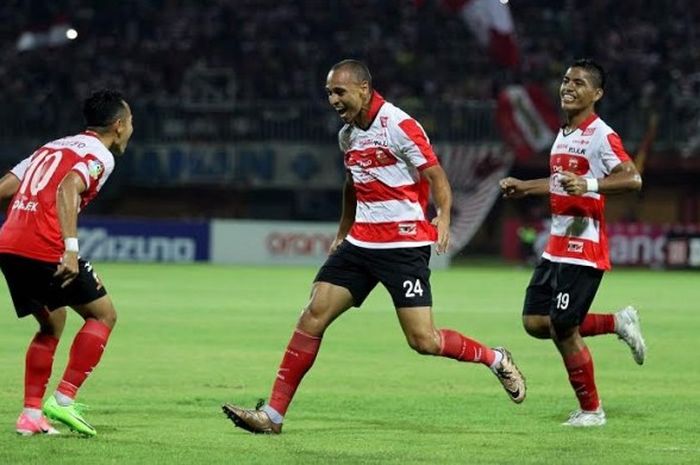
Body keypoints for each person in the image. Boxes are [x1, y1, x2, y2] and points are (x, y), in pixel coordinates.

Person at [223, 59, 526, 434]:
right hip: (361, 243)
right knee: (312, 315)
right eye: (329, 93)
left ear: (364, 88)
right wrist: (342, 231)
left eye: (339, 91)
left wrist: (444, 216)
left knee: (423, 341)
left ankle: (495, 358)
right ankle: (273, 415)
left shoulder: (400, 125)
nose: (333, 99)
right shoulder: (347, 136)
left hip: (404, 245)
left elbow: (436, 175)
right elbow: (352, 185)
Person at [499, 59, 647, 427]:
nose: (568, 86)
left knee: (563, 328)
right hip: (556, 245)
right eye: (565, 80)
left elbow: (633, 179)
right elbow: (560, 182)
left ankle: (592, 411)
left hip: (584, 248)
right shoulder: (564, 133)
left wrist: (591, 184)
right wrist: (527, 186)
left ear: (596, 94)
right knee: (536, 321)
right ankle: (617, 322)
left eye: (578, 82)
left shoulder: (600, 134)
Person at [0, 89, 134, 437]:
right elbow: (67, 188)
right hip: (45, 247)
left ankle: (30, 416)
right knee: (104, 314)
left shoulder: (52, 146)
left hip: (9, 243)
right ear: (118, 125)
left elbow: (6, 187)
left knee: (52, 322)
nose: (132, 129)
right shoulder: (100, 155)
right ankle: (63, 400)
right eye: (131, 122)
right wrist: (70, 249)